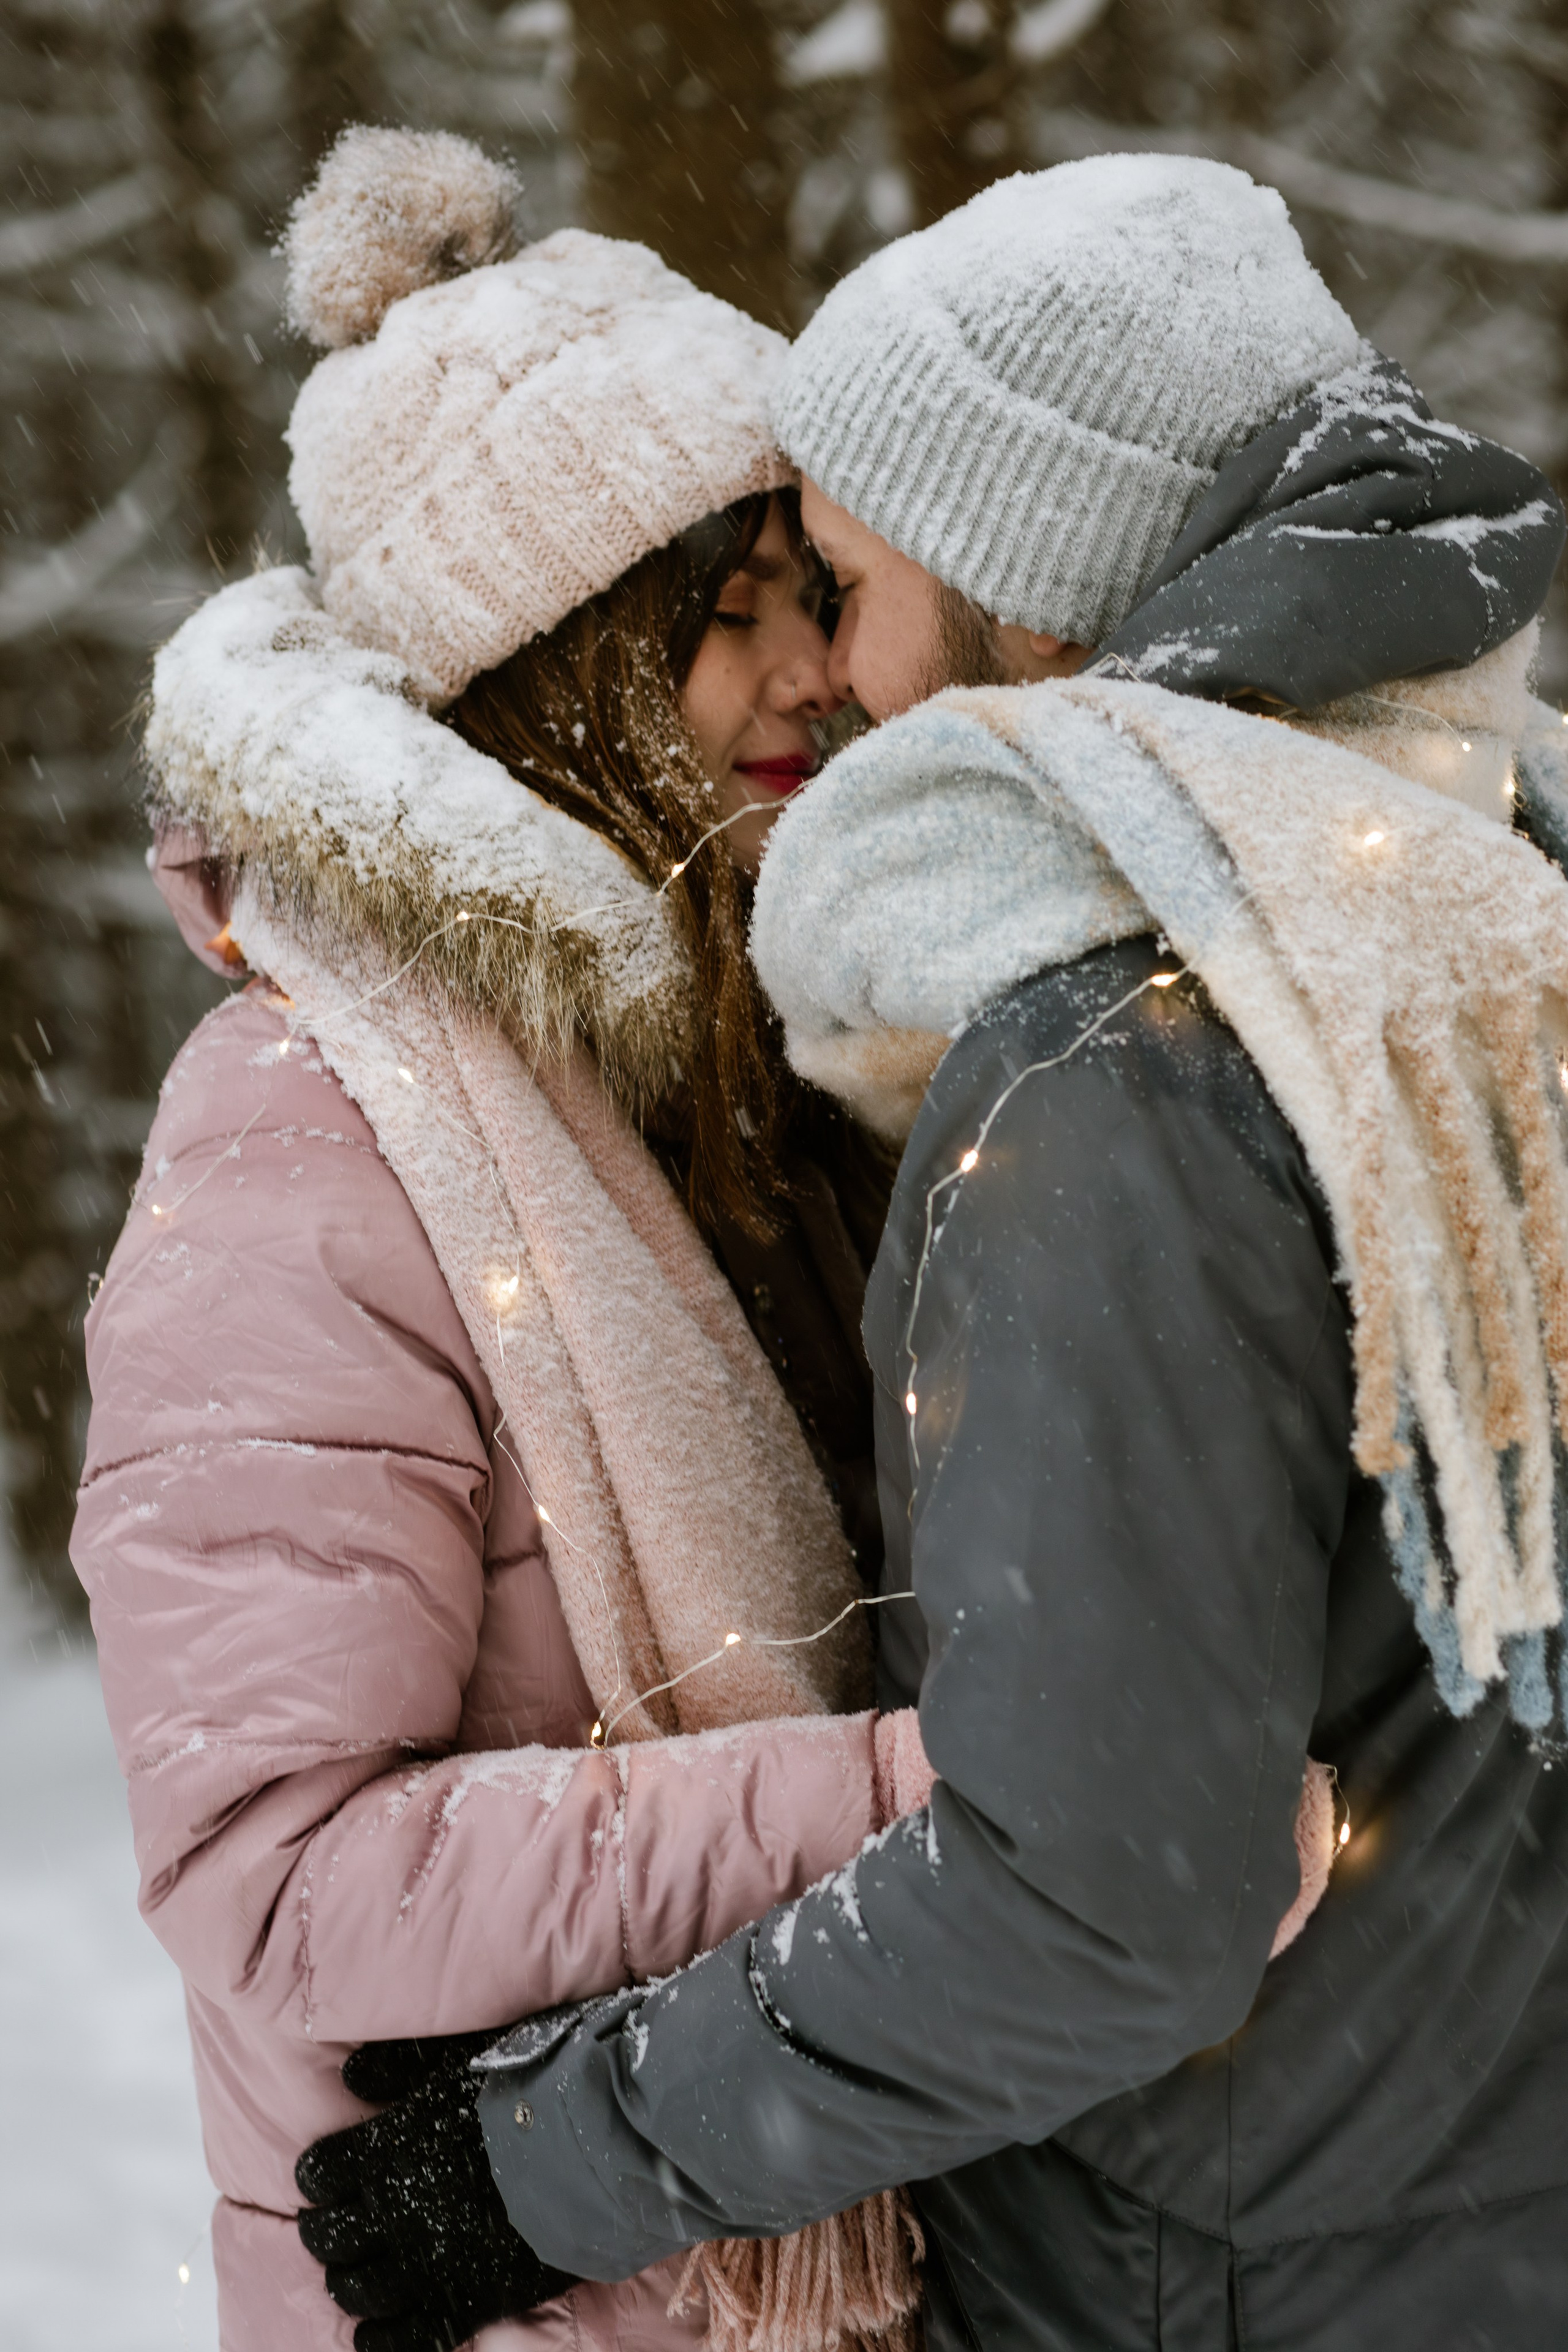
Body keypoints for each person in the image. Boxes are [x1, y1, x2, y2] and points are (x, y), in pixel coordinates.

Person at [301, 159, 1568, 2351]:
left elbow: (1105, 1900)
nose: (842, 672)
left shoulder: (1123, 1072)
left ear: (1029, 578)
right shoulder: (1470, 892)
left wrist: (548, 2153)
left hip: (1223, 2280)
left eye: (860, 580)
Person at [69, 124, 943, 2352]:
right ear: (540, 681)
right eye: (712, 624)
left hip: (766, 2226)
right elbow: (280, 1890)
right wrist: (909, 1805)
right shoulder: (315, 1132)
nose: (803, 681)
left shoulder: (751, 1075)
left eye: (804, 599)